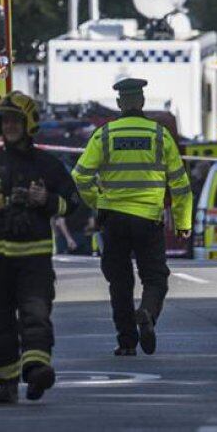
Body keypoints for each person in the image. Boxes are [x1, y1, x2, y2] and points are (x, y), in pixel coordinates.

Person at [0, 91, 80, 405]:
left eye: (16, 120)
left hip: (34, 261)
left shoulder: (48, 165)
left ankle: (37, 370)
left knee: (36, 316)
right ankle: (7, 383)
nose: (10, 126)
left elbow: (75, 204)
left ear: (29, 124)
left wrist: (46, 201)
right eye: (6, 120)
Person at [71, 78, 193, 356]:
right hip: (148, 220)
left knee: (119, 282)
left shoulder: (105, 135)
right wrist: (183, 221)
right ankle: (148, 312)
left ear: (119, 104)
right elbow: (180, 184)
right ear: (141, 102)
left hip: (114, 220)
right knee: (155, 277)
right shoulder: (160, 135)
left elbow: (79, 177)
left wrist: (97, 202)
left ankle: (126, 342)